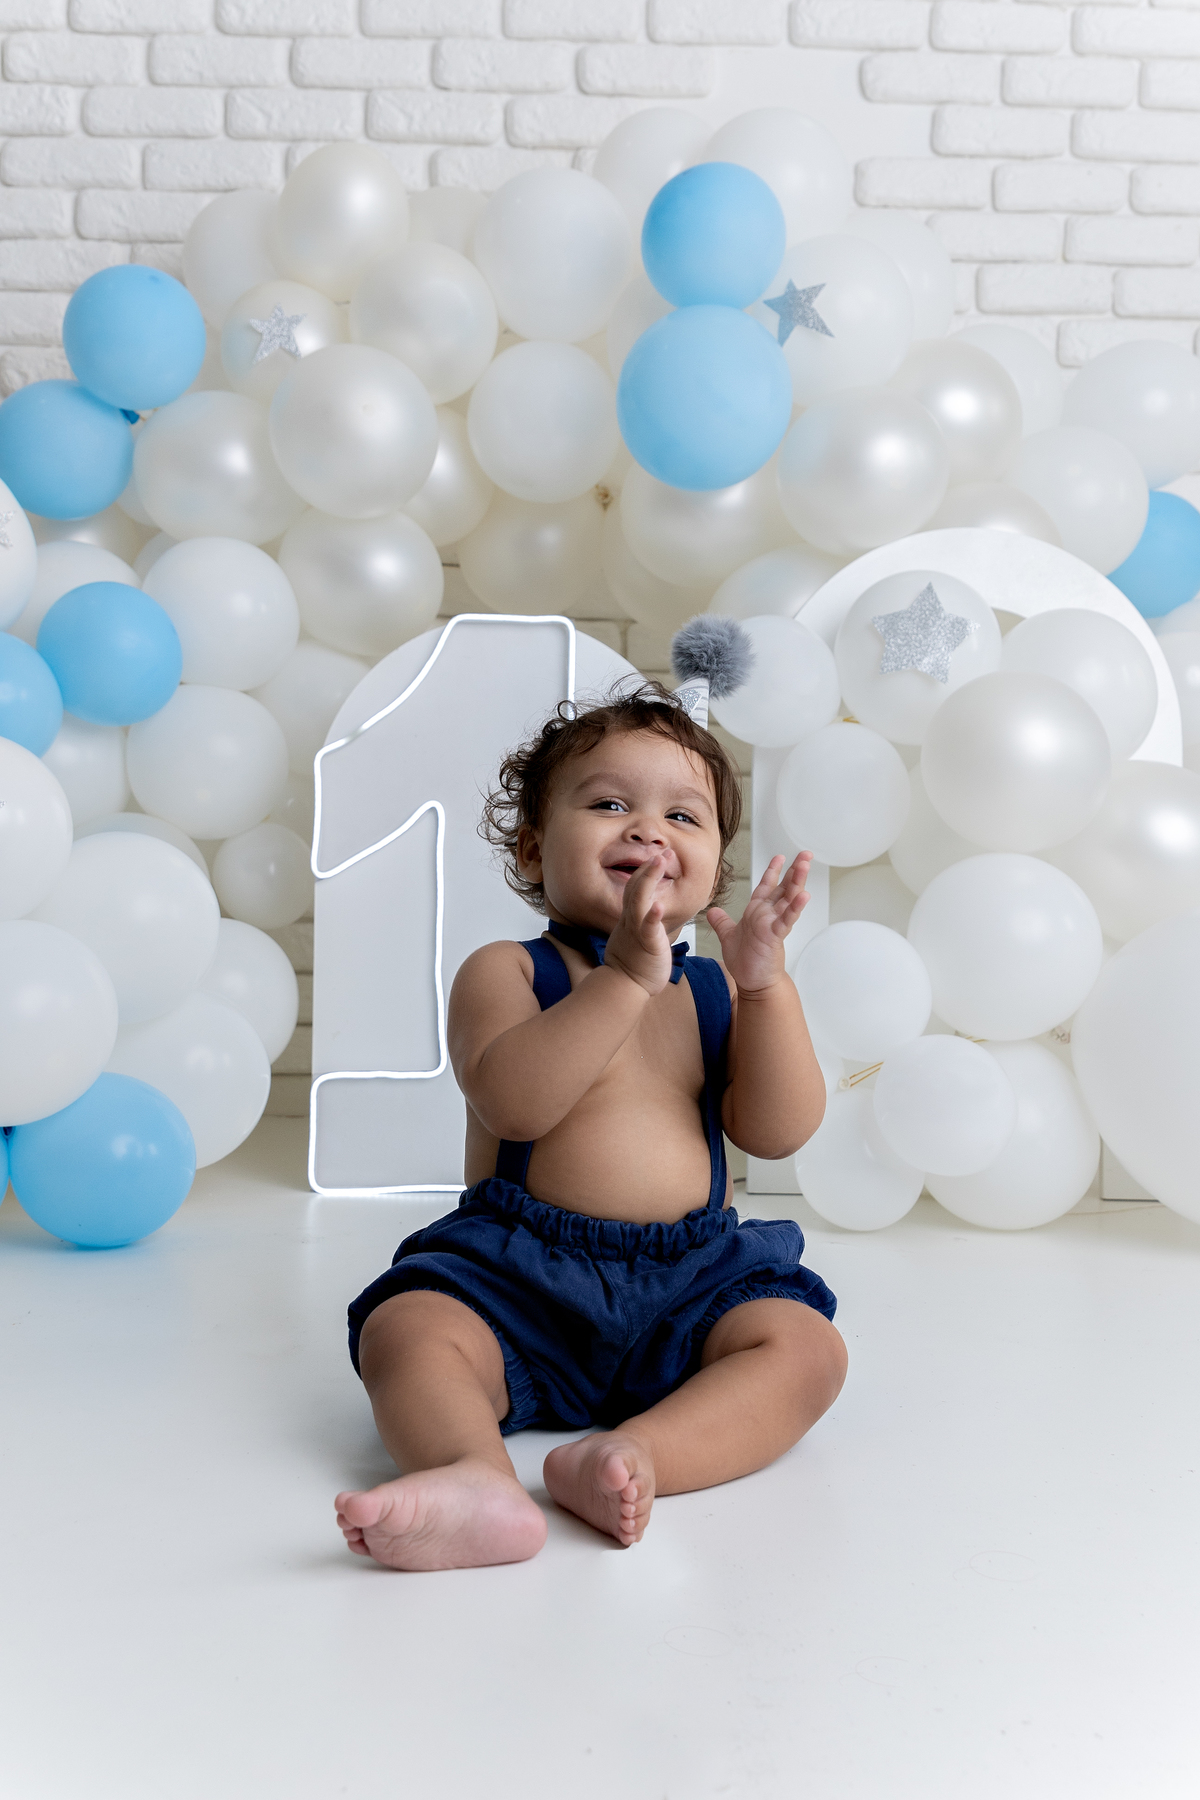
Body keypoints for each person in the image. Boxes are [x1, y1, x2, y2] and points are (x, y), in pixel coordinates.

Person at [335, 682, 845, 1571]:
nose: (648, 829)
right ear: (534, 847)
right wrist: (624, 979)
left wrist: (766, 987)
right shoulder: (508, 972)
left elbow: (778, 1131)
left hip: (688, 1280)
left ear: (712, 866)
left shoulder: (716, 991)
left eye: (681, 815)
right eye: (610, 804)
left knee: (808, 1349)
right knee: (407, 1329)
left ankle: (635, 1456)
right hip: (517, 1281)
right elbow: (514, 1103)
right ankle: (473, 1475)